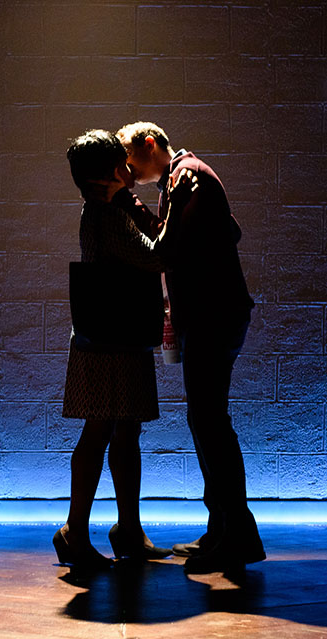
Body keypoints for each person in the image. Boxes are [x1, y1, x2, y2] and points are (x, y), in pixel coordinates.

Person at [116, 122, 265, 574]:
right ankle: (223, 529)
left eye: (129, 159)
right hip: (210, 316)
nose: (126, 169)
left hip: (213, 316)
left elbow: (170, 249)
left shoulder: (188, 176)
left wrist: (127, 201)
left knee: (211, 423)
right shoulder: (180, 180)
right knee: (206, 420)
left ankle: (236, 535)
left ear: (149, 144)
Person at [55, 129, 195, 568]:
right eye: (122, 163)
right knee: (104, 432)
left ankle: (121, 530)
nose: (130, 169)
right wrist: (179, 208)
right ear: (107, 173)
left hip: (110, 336)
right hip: (113, 341)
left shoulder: (104, 208)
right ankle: (78, 531)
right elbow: (156, 256)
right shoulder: (107, 216)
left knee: (119, 431)